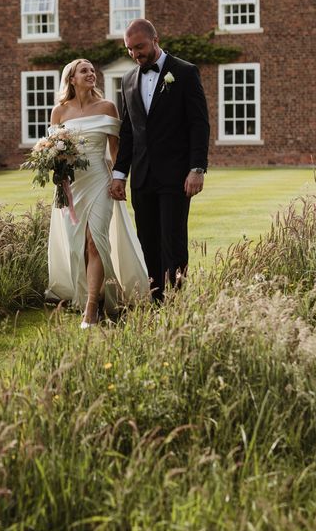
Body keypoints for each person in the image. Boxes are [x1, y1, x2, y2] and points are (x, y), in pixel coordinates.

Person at [109, 19, 210, 301]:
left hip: (176, 175)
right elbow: (128, 131)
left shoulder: (185, 72)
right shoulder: (128, 80)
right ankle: (155, 300)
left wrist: (197, 168)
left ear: (155, 39)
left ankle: (175, 301)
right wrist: (119, 174)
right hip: (142, 177)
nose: (135, 54)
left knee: (173, 242)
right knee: (147, 242)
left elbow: (199, 124)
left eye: (139, 47)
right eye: (129, 49)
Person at [45, 58, 150, 328]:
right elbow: (53, 152)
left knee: (95, 241)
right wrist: (56, 170)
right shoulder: (59, 112)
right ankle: (90, 294)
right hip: (71, 186)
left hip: (100, 181)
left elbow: (116, 151)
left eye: (93, 70)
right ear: (71, 78)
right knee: (77, 245)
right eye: (85, 71)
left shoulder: (107, 107)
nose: (91, 74)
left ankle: (91, 307)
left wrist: (119, 179)